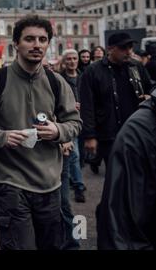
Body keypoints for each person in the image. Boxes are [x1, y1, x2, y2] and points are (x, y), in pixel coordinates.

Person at [0, 15, 82, 250]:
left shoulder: (56, 81)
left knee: (50, 245)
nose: (36, 44)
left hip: (50, 184)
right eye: (29, 39)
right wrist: (2, 136)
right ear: (16, 44)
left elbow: (75, 122)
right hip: (10, 184)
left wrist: (58, 130)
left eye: (42, 39)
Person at [80, 33, 153, 173]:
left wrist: (150, 95)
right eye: (123, 48)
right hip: (109, 134)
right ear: (110, 49)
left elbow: (151, 87)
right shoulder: (93, 71)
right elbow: (87, 105)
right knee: (117, 176)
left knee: (140, 174)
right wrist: (89, 136)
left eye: (130, 47)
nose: (129, 51)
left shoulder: (136, 66)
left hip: (137, 131)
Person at [96, 88, 156, 249]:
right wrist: (90, 134)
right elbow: (121, 230)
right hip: (109, 134)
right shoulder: (139, 132)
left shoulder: (133, 70)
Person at [60, 49, 86, 203]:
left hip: (85, 120)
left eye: (74, 58)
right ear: (64, 61)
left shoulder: (84, 77)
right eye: (68, 58)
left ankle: (73, 179)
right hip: (69, 122)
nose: (72, 61)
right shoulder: (60, 79)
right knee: (74, 154)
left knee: (79, 155)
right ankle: (79, 186)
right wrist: (70, 105)